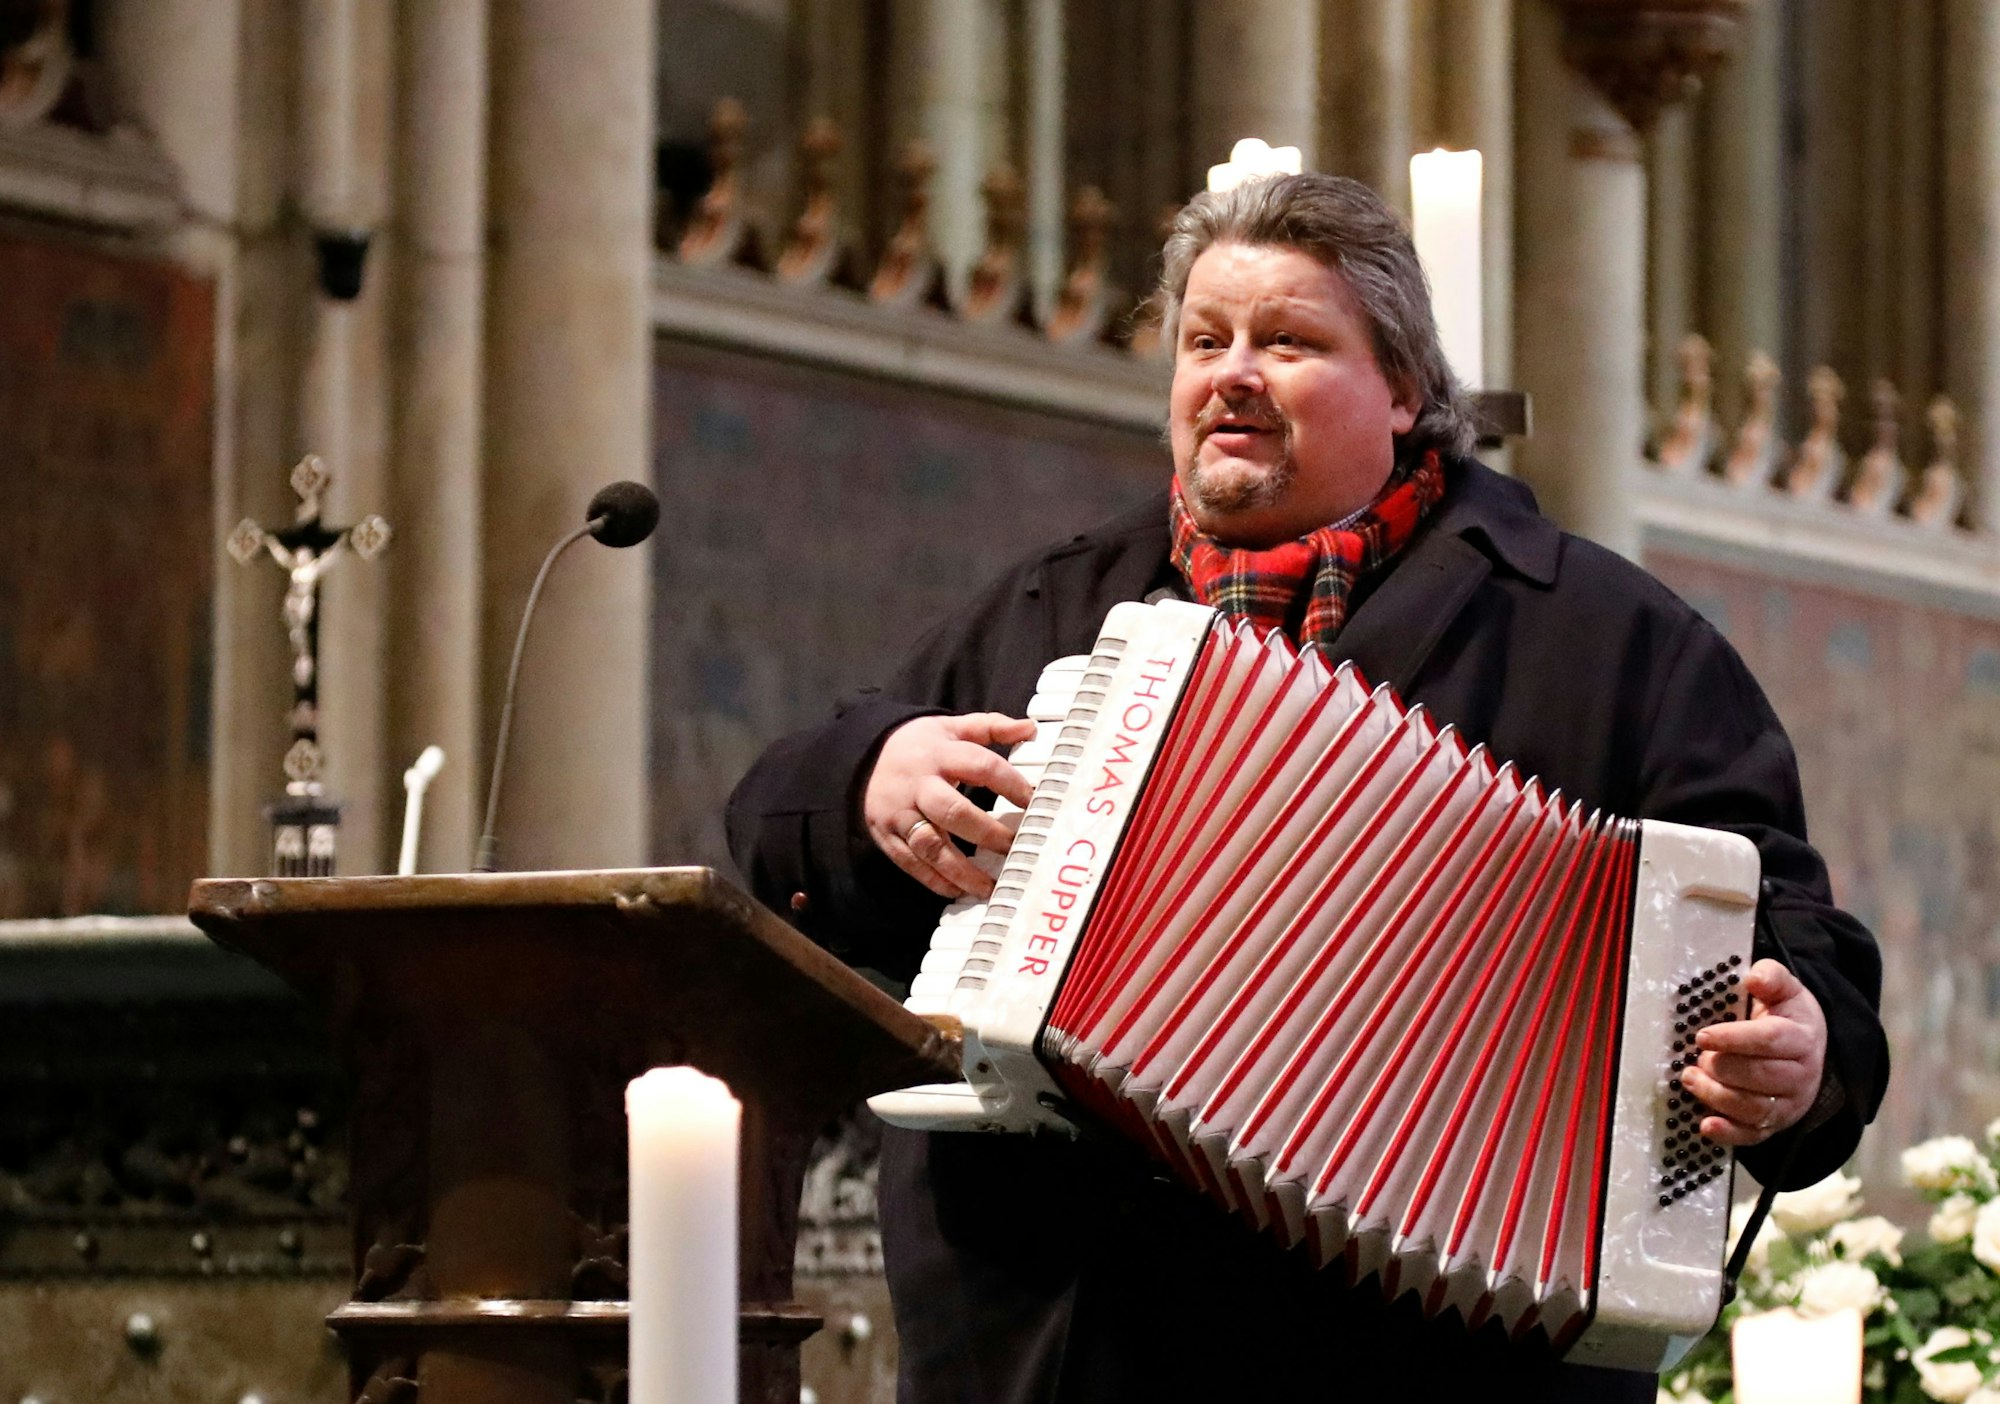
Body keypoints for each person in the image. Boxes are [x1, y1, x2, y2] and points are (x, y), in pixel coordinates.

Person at [727, 173, 1887, 1402]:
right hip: (1065, 1342)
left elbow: (1796, 957)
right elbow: (767, 831)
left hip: (1432, 1359)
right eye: (1202, 342)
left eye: (1286, 341)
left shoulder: (1606, 642)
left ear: (1402, 389)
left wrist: (1800, 1055)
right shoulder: (1047, 608)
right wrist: (869, 780)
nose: (1231, 373)